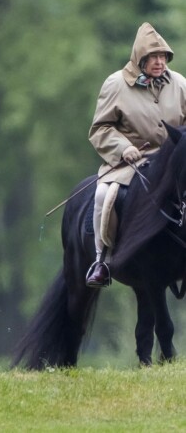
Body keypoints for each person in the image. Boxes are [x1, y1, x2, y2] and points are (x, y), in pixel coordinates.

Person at [86, 22, 186, 287]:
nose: (159, 62)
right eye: (153, 57)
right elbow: (100, 128)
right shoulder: (116, 84)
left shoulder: (180, 84)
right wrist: (123, 148)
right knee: (103, 195)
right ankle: (102, 260)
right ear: (140, 59)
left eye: (163, 56)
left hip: (174, 161)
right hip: (132, 161)